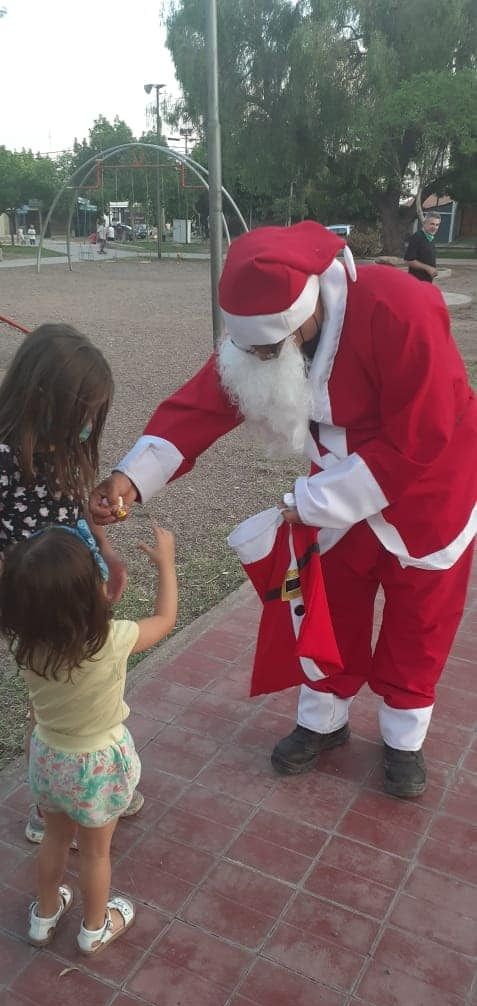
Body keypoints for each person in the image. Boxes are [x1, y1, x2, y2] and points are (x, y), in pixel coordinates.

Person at [90, 221, 477, 799]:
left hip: (428, 492)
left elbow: (421, 437)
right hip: (335, 496)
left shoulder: (402, 308)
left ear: (308, 313)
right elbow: (203, 404)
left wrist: (309, 501)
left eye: (273, 351)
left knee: (419, 619)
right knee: (330, 607)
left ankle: (403, 738)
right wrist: (130, 477)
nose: (263, 360)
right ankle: (324, 721)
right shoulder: (261, 335)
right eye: (257, 351)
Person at [0, 521, 177, 954]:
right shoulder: (112, 641)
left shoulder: (26, 645)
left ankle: (44, 917)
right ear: (91, 594)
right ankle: (93, 929)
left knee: (56, 839)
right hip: (97, 765)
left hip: (47, 759)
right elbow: (165, 619)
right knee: (96, 854)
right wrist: (166, 565)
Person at [0, 323, 144, 843]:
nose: (87, 427)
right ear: (43, 400)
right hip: (37, 605)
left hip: (79, 594)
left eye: (92, 418)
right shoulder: (4, 458)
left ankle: (101, 783)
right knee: (50, 701)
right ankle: (50, 802)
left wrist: (104, 547)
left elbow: (69, 514)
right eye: (81, 415)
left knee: (93, 686)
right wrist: (36, 584)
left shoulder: (61, 448)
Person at [404, 211, 441, 282]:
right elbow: (409, 260)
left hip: (427, 282)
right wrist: (428, 268)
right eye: (432, 224)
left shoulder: (430, 238)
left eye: (437, 225)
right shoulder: (417, 237)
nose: (435, 227)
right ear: (424, 223)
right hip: (416, 282)